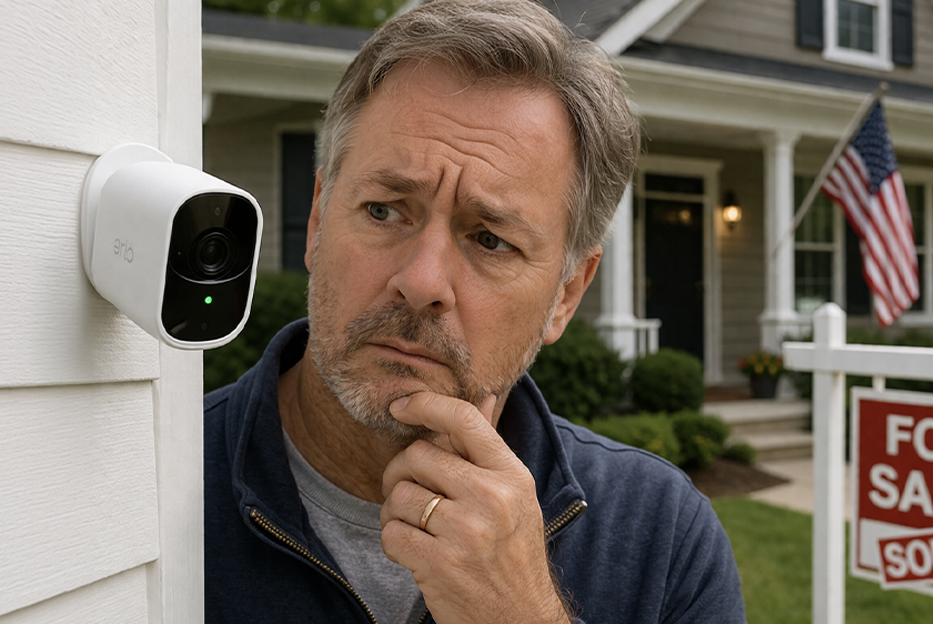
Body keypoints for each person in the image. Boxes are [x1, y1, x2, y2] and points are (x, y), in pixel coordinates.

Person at [204, 0, 747, 622]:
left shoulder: (664, 539)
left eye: (490, 239)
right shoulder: (149, 486)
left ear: (566, 295)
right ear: (320, 217)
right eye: (384, 209)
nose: (421, 281)